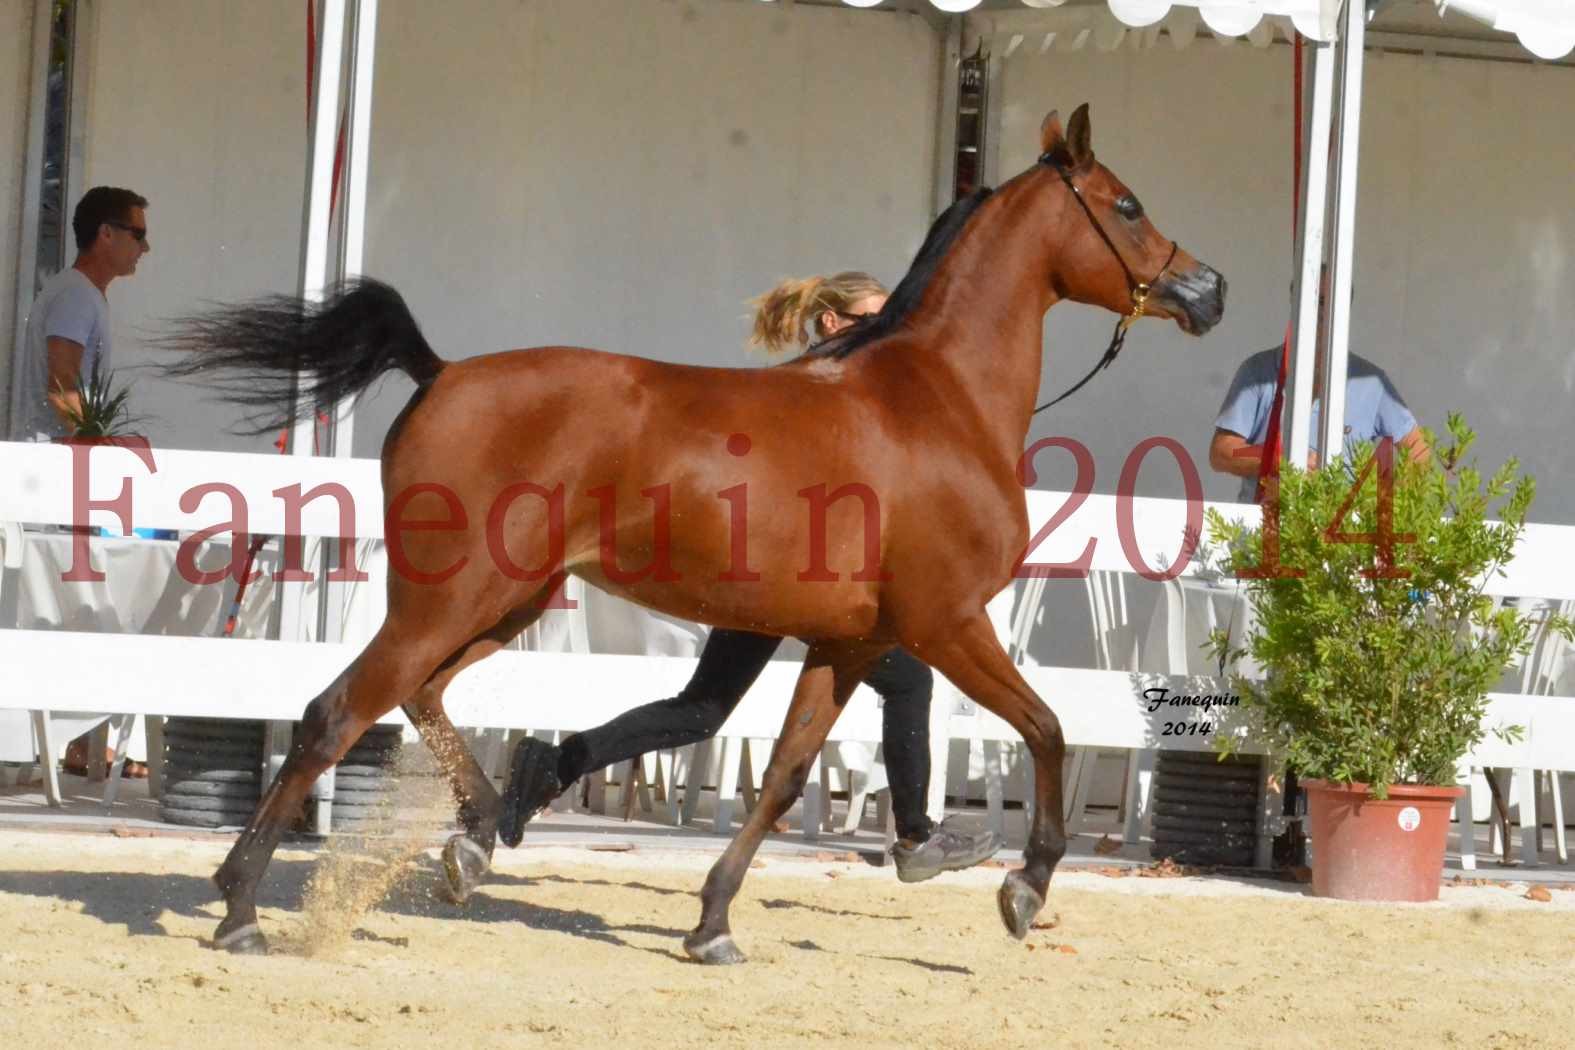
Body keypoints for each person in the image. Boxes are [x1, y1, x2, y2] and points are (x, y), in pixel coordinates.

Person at [500, 271, 1001, 882]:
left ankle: (554, 764)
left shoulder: (844, 394)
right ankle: (917, 836)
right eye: (872, 321)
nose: (886, 332)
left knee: (701, 712)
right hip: (794, 582)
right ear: (833, 325)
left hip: (788, 580)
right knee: (907, 683)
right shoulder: (817, 393)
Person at [19, 186, 152, 778]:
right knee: (74, 600)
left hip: (63, 468)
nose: (146, 247)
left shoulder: (81, 294)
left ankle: (76, 742)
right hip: (57, 473)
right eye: (138, 234)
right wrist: (95, 447)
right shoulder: (75, 294)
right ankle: (70, 743)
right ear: (107, 234)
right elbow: (62, 380)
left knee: (79, 601)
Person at [1209, 272, 1427, 502]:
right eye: (1312, 300)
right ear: (1294, 304)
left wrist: (1381, 509)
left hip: (1340, 533)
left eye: (1330, 302)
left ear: (1346, 308)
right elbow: (1222, 452)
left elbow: (1419, 454)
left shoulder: (1371, 381)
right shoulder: (1257, 371)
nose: (1320, 310)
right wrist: (1280, 461)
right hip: (1266, 529)